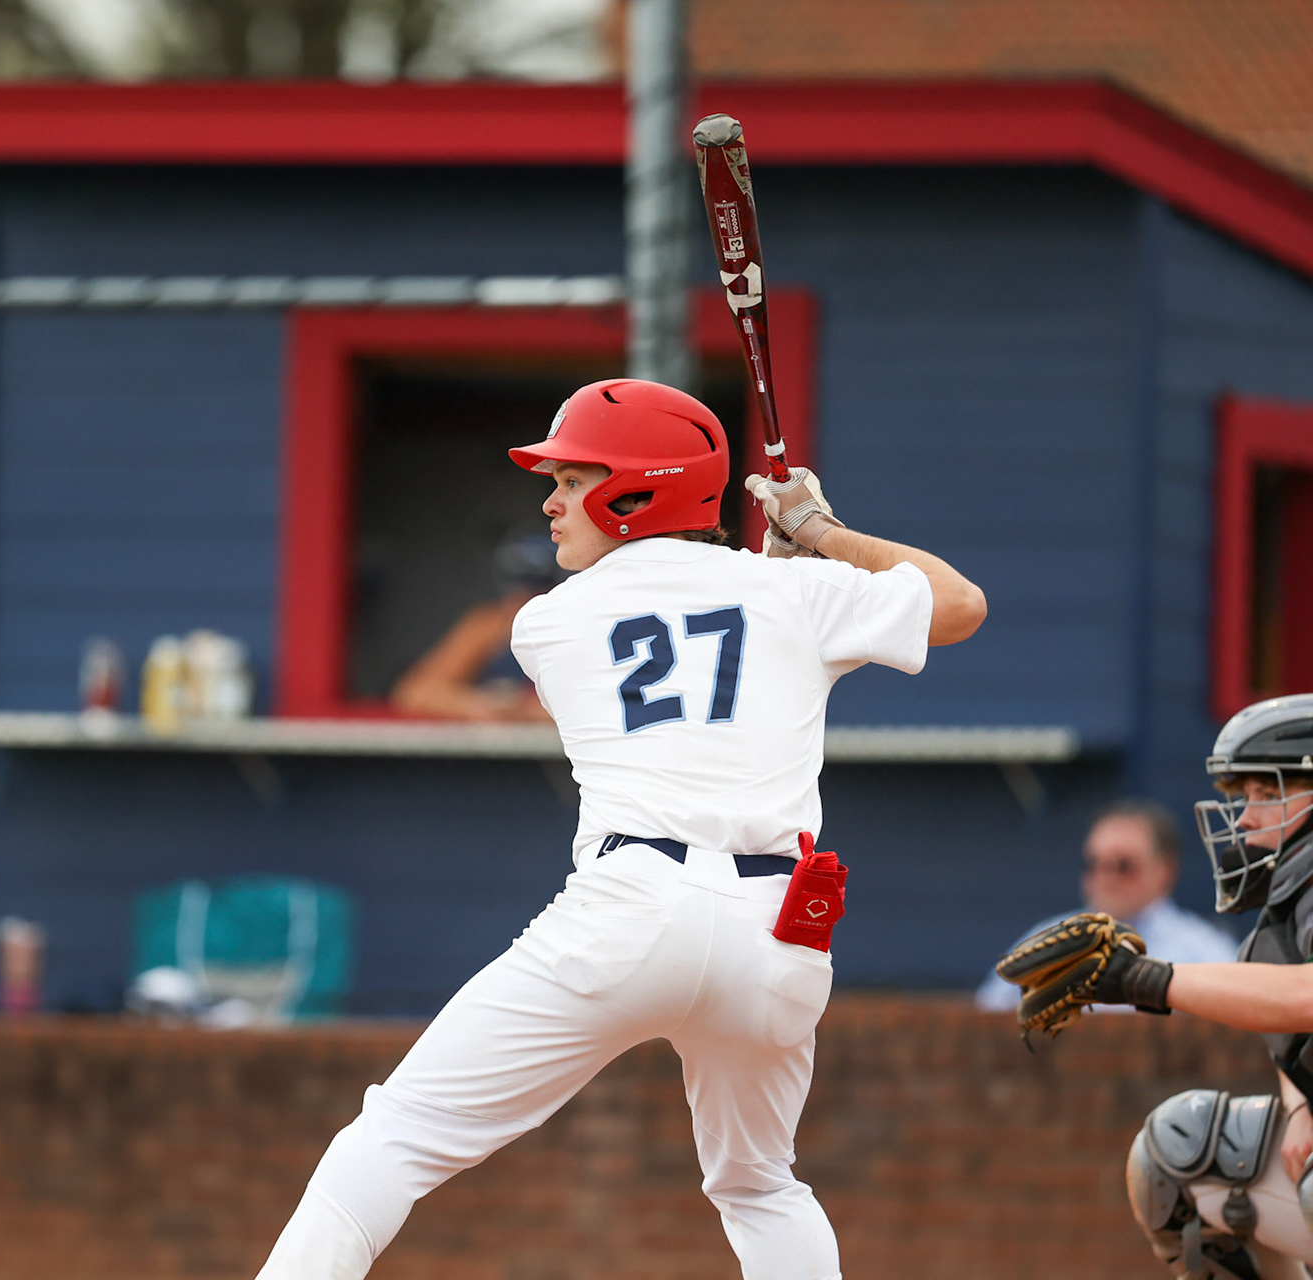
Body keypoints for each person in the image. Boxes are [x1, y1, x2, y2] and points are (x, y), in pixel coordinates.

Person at [254, 378, 987, 1279]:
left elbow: (688, 619)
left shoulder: (550, 622)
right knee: (761, 1185)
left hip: (633, 908)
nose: (550, 502)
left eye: (571, 480)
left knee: (398, 1133)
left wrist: (779, 571)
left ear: (636, 491)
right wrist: (819, 539)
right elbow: (959, 604)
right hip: (781, 931)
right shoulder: (791, 591)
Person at [997, 695, 1313, 1279]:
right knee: (1176, 1154)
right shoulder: (1292, 898)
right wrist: (1300, 1107)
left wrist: (1146, 979)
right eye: (1245, 797)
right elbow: (1296, 1037)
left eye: (1268, 794)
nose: (1244, 818)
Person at [974, 801, 1236, 1011]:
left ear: (1165, 871)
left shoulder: (1204, 952)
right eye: (1093, 864)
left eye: (1124, 866)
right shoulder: (1046, 941)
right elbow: (986, 1014)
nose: (1105, 877)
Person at [389, 528, 561, 723]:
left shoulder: (575, 627)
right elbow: (415, 691)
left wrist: (524, 709)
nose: (522, 599)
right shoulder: (489, 626)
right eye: (517, 588)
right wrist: (479, 703)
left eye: (536, 590)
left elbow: (594, 705)